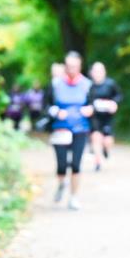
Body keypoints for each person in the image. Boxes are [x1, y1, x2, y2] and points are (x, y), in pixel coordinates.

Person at [43, 52, 93, 211]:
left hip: (80, 128)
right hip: (60, 129)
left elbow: (93, 105)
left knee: (76, 165)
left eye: (75, 66)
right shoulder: (55, 84)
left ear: (80, 66)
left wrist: (90, 109)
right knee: (62, 165)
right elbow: (46, 106)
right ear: (65, 66)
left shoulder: (87, 84)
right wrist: (57, 112)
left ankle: (73, 197)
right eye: (69, 66)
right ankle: (61, 184)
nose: (72, 69)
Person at [87, 62, 122, 171]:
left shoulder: (110, 84)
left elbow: (119, 96)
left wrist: (114, 103)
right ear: (92, 73)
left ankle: (105, 149)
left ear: (104, 72)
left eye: (100, 71)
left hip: (108, 117)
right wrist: (89, 107)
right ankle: (97, 162)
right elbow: (85, 100)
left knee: (107, 141)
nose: (98, 73)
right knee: (96, 137)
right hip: (95, 116)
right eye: (95, 71)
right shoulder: (89, 85)